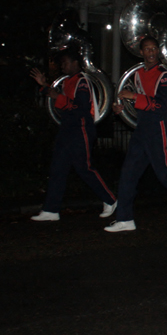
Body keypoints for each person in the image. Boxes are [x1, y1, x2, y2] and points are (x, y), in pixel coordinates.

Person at [106, 36, 167, 232]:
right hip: (142, 128)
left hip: (158, 127)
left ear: (158, 52)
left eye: (154, 49)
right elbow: (137, 104)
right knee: (128, 174)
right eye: (147, 49)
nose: (151, 52)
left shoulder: (164, 75)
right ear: (141, 52)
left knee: (164, 175)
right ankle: (125, 219)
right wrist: (122, 109)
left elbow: (160, 106)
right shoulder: (137, 75)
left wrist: (133, 96)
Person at [29, 50, 116, 221]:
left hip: (80, 130)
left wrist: (56, 96)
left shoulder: (82, 81)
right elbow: (62, 103)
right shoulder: (69, 81)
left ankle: (110, 199)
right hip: (68, 130)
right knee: (57, 169)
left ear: (76, 63)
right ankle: (51, 210)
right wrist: (45, 86)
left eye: (65, 62)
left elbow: (79, 108)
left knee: (84, 168)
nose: (62, 66)